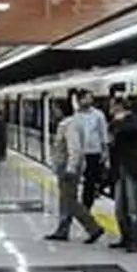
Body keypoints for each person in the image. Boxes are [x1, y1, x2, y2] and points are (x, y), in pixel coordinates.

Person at [45, 99, 104, 243]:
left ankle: (94, 227)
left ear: (61, 109)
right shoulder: (70, 123)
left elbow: (75, 149)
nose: (53, 112)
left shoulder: (70, 125)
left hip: (68, 168)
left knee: (70, 201)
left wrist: (71, 168)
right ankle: (62, 230)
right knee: (65, 200)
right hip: (65, 167)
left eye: (55, 108)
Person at [108, 96, 137, 253]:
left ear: (120, 106)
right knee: (120, 208)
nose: (110, 108)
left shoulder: (134, 120)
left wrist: (119, 121)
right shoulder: (115, 123)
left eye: (113, 105)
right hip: (120, 169)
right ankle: (126, 237)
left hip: (136, 169)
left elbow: (134, 131)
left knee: (135, 208)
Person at [74, 91, 109, 208]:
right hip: (79, 152)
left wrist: (105, 151)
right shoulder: (76, 116)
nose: (89, 100)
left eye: (90, 98)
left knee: (90, 179)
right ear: (80, 100)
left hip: (94, 152)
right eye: (86, 98)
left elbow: (103, 133)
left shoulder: (98, 115)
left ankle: (87, 204)